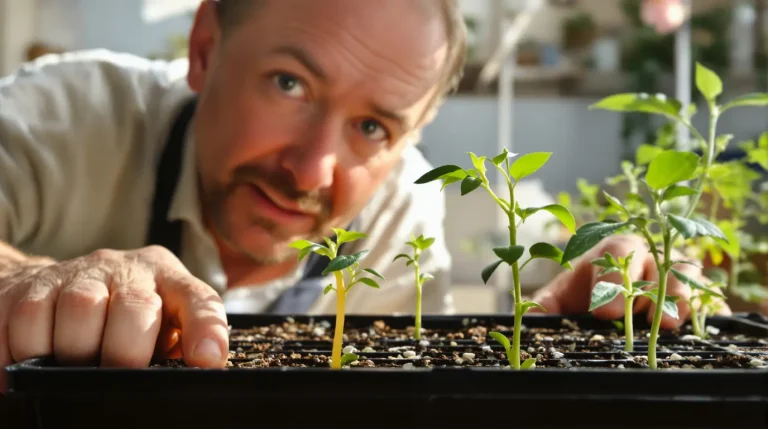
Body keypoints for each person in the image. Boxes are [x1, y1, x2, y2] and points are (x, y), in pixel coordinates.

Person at [0, 0, 724, 392]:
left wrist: (569, 327)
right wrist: (21, 281)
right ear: (205, 47)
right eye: (290, 83)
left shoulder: (403, 212)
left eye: (374, 126)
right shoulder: (73, 116)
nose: (313, 171)